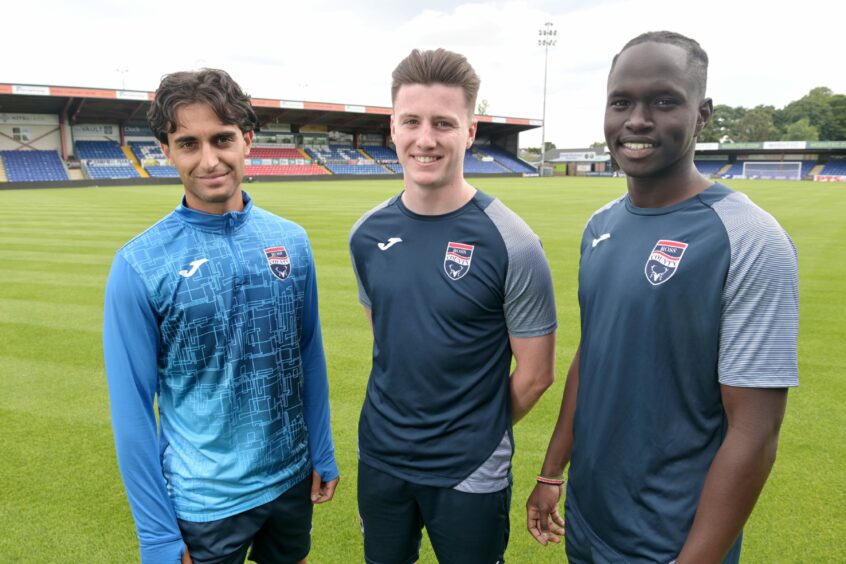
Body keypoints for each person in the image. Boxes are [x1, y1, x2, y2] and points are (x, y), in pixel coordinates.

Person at [526, 31, 799, 563]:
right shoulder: (599, 225)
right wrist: (552, 471)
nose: (637, 120)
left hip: (668, 543)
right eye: (622, 102)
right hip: (587, 520)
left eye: (665, 101)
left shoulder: (751, 238)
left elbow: (755, 431)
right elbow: (595, 354)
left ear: (703, 115)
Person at [103, 68, 339, 564]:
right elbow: (131, 413)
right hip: (205, 502)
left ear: (247, 140)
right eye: (188, 143)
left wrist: (321, 448)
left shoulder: (291, 241)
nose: (209, 160)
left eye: (222, 139)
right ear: (167, 151)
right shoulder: (139, 265)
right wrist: (159, 538)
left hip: (291, 478)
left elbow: (308, 353)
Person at [349, 48, 558, 563]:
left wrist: (474, 428)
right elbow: (389, 345)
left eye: (443, 123)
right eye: (411, 122)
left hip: (469, 468)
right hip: (381, 457)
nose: (426, 139)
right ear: (392, 129)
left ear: (469, 130)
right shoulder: (366, 234)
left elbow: (536, 375)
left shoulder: (514, 242)